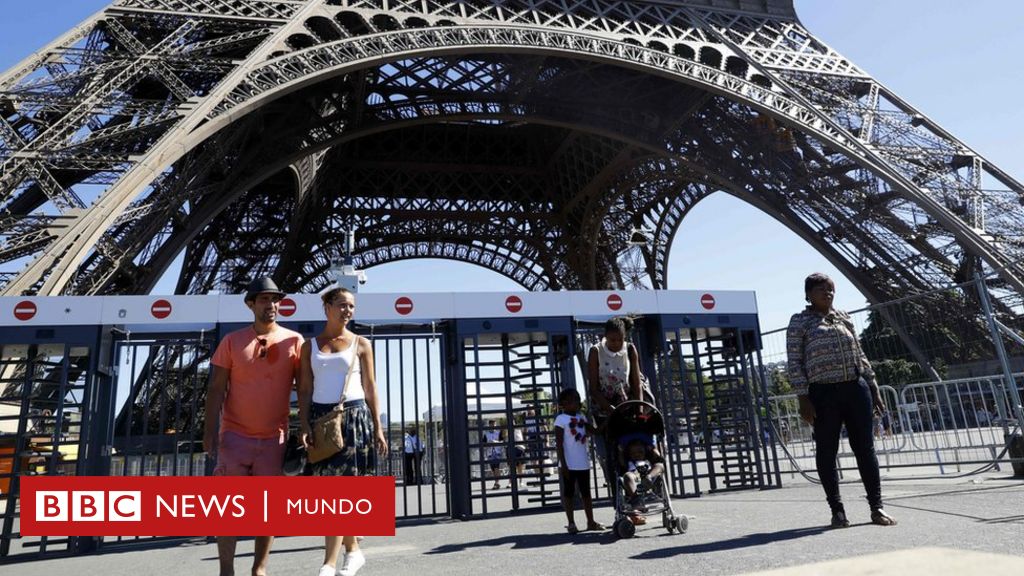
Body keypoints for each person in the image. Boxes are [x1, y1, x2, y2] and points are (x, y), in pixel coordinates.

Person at [203, 277, 303, 576]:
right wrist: (209, 433)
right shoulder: (232, 341)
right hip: (234, 435)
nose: (271, 305)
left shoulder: (294, 341)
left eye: (275, 299)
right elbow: (216, 388)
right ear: (251, 304)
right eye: (263, 299)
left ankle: (259, 569)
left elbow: (306, 388)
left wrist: (307, 426)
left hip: (274, 437)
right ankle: (226, 570)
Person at [786, 272, 897, 529]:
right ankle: (837, 510)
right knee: (827, 451)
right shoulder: (800, 321)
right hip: (823, 394)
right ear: (808, 294)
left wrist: (874, 385)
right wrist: (803, 396)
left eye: (832, 289)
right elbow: (794, 361)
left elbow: (860, 353)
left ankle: (876, 507)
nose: (829, 293)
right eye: (822, 289)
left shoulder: (844, 317)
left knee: (865, 450)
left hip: (856, 389)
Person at [299, 287, 388, 576]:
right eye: (341, 305)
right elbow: (305, 388)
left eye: (351, 306)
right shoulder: (308, 346)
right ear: (326, 307)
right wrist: (303, 423)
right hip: (320, 419)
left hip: (353, 417)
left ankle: (328, 563)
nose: (347, 311)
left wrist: (378, 427)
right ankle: (353, 550)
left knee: (339, 490)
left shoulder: (361, 343)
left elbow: (371, 387)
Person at [588, 317, 643, 485]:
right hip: (603, 409)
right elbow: (593, 388)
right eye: (612, 339)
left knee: (630, 448)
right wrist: (609, 408)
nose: (617, 343)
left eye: (620, 339)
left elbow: (636, 383)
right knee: (609, 454)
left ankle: (634, 485)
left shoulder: (631, 349)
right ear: (604, 336)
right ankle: (616, 487)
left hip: (626, 407)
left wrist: (640, 411)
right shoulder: (595, 351)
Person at [553, 388, 605, 534]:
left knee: (586, 494)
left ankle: (591, 522)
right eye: (573, 400)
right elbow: (559, 443)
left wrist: (607, 419)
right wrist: (563, 464)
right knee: (569, 494)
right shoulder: (560, 419)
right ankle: (571, 523)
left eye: (577, 399)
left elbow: (595, 431)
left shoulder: (582, 417)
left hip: (583, 463)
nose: (576, 402)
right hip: (568, 464)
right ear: (564, 403)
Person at [620, 437, 665, 520]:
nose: (637, 455)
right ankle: (636, 500)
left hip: (649, 477)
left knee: (659, 466)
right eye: (633, 453)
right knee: (627, 476)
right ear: (629, 454)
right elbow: (621, 463)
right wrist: (621, 452)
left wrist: (653, 449)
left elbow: (658, 459)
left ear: (645, 452)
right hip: (634, 479)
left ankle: (648, 478)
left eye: (640, 452)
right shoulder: (629, 462)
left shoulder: (648, 460)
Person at [483, 420, 502, 489]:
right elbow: (483, 444)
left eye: (494, 424)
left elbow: (502, 441)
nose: (493, 426)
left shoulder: (498, 433)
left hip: (497, 452)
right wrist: (488, 444)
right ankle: (496, 481)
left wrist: (495, 442)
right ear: (489, 425)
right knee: (493, 469)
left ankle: (497, 483)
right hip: (490, 453)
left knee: (497, 467)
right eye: (492, 425)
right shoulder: (486, 434)